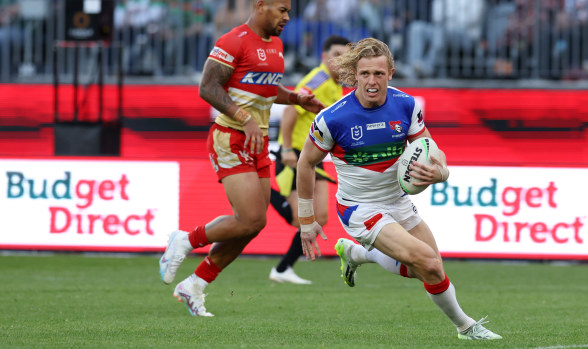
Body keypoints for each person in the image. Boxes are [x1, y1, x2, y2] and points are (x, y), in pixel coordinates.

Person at [295, 38, 502, 340]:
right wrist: (306, 220)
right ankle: (467, 327)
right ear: (354, 73)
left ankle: (356, 254)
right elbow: (305, 164)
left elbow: (431, 149)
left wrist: (441, 171)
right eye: (364, 73)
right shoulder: (332, 118)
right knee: (427, 261)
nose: (371, 81)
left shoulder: (405, 105)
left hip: (398, 201)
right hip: (359, 208)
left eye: (379, 74)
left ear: (390, 73)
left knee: (432, 269)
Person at [158, 0, 325, 317]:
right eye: (281, 10)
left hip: (257, 140)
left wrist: (297, 98)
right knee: (250, 219)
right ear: (260, 5)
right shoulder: (233, 40)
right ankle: (184, 239)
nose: (287, 17)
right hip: (231, 137)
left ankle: (194, 285)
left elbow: (266, 89)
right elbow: (207, 87)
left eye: (289, 11)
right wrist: (242, 117)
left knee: (251, 226)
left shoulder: (275, 45)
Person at [268, 35, 350, 285]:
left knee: (320, 217)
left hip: (314, 157)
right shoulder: (319, 79)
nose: (340, 61)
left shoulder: (336, 85)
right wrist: (286, 148)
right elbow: (292, 108)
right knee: (299, 219)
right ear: (324, 57)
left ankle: (282, 270)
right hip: (296, 153)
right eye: (336, 55)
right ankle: (262, 192)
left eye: (345, 57)